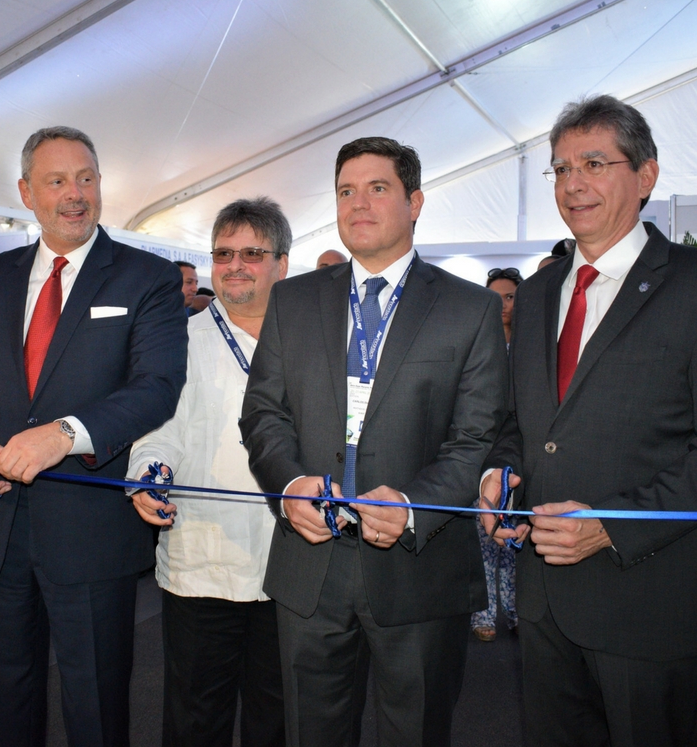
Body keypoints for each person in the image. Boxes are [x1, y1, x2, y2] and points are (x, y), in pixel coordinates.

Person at [240, 136, 508, 746]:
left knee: (414, 732)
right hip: (312, 563)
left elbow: (477, 436)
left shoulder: (468, 309)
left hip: (420, 566)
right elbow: (262, 413)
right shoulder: (293, 299)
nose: (358, 203)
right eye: (345, 191)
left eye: (377, 188)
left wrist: (414, 505)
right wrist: (289, 485)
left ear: (415, 202)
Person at [0, 126, 188, 747]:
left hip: (90, 530)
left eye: (86, 179)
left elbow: (157, 384)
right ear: (26, 192)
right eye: (57, 181)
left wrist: (66, 434)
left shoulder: (146, 278)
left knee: (96, 705)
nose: (74, 194)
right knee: (2, 701)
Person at [482, 94, 697, 746]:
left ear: (647, 175)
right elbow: (522, 420)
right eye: (560, 168)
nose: (573, 183)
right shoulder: (542, 290)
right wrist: (502, 472)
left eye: (594, 163)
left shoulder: (688, 285)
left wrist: (612, 526)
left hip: (649, 605)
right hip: (545, 607)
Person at [128, 196, 290, 747]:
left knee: (278, 715)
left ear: (281, 264)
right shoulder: (178, 339)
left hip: (290, 561)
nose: (235, 265)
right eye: (223, 253)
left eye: (252, 252)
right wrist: (150, 471)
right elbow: (158, 430)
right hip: (202, 562)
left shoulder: (311, 343)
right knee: (196, 717)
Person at [470, 266, 522, 642]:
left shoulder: (534, 345)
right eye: (495, 297)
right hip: (480, 454)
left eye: (509, 296)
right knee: (484, 540)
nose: (502, 304)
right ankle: (484, 615)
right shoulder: (477, 342)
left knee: (517, 539)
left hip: (522, 456)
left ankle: (517, 611)